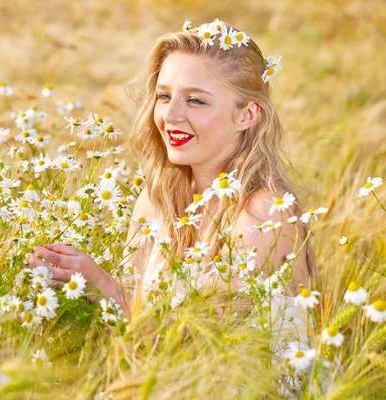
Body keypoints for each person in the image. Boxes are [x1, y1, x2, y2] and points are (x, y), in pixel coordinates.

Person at [25, 20, 318, 334]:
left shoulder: (263, 215)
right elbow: (129, 333)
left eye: (195, 100)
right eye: (164, 96)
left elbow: (202, 342)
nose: (171, 115)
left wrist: (100, 285)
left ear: (247, 115)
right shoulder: (158, 198)